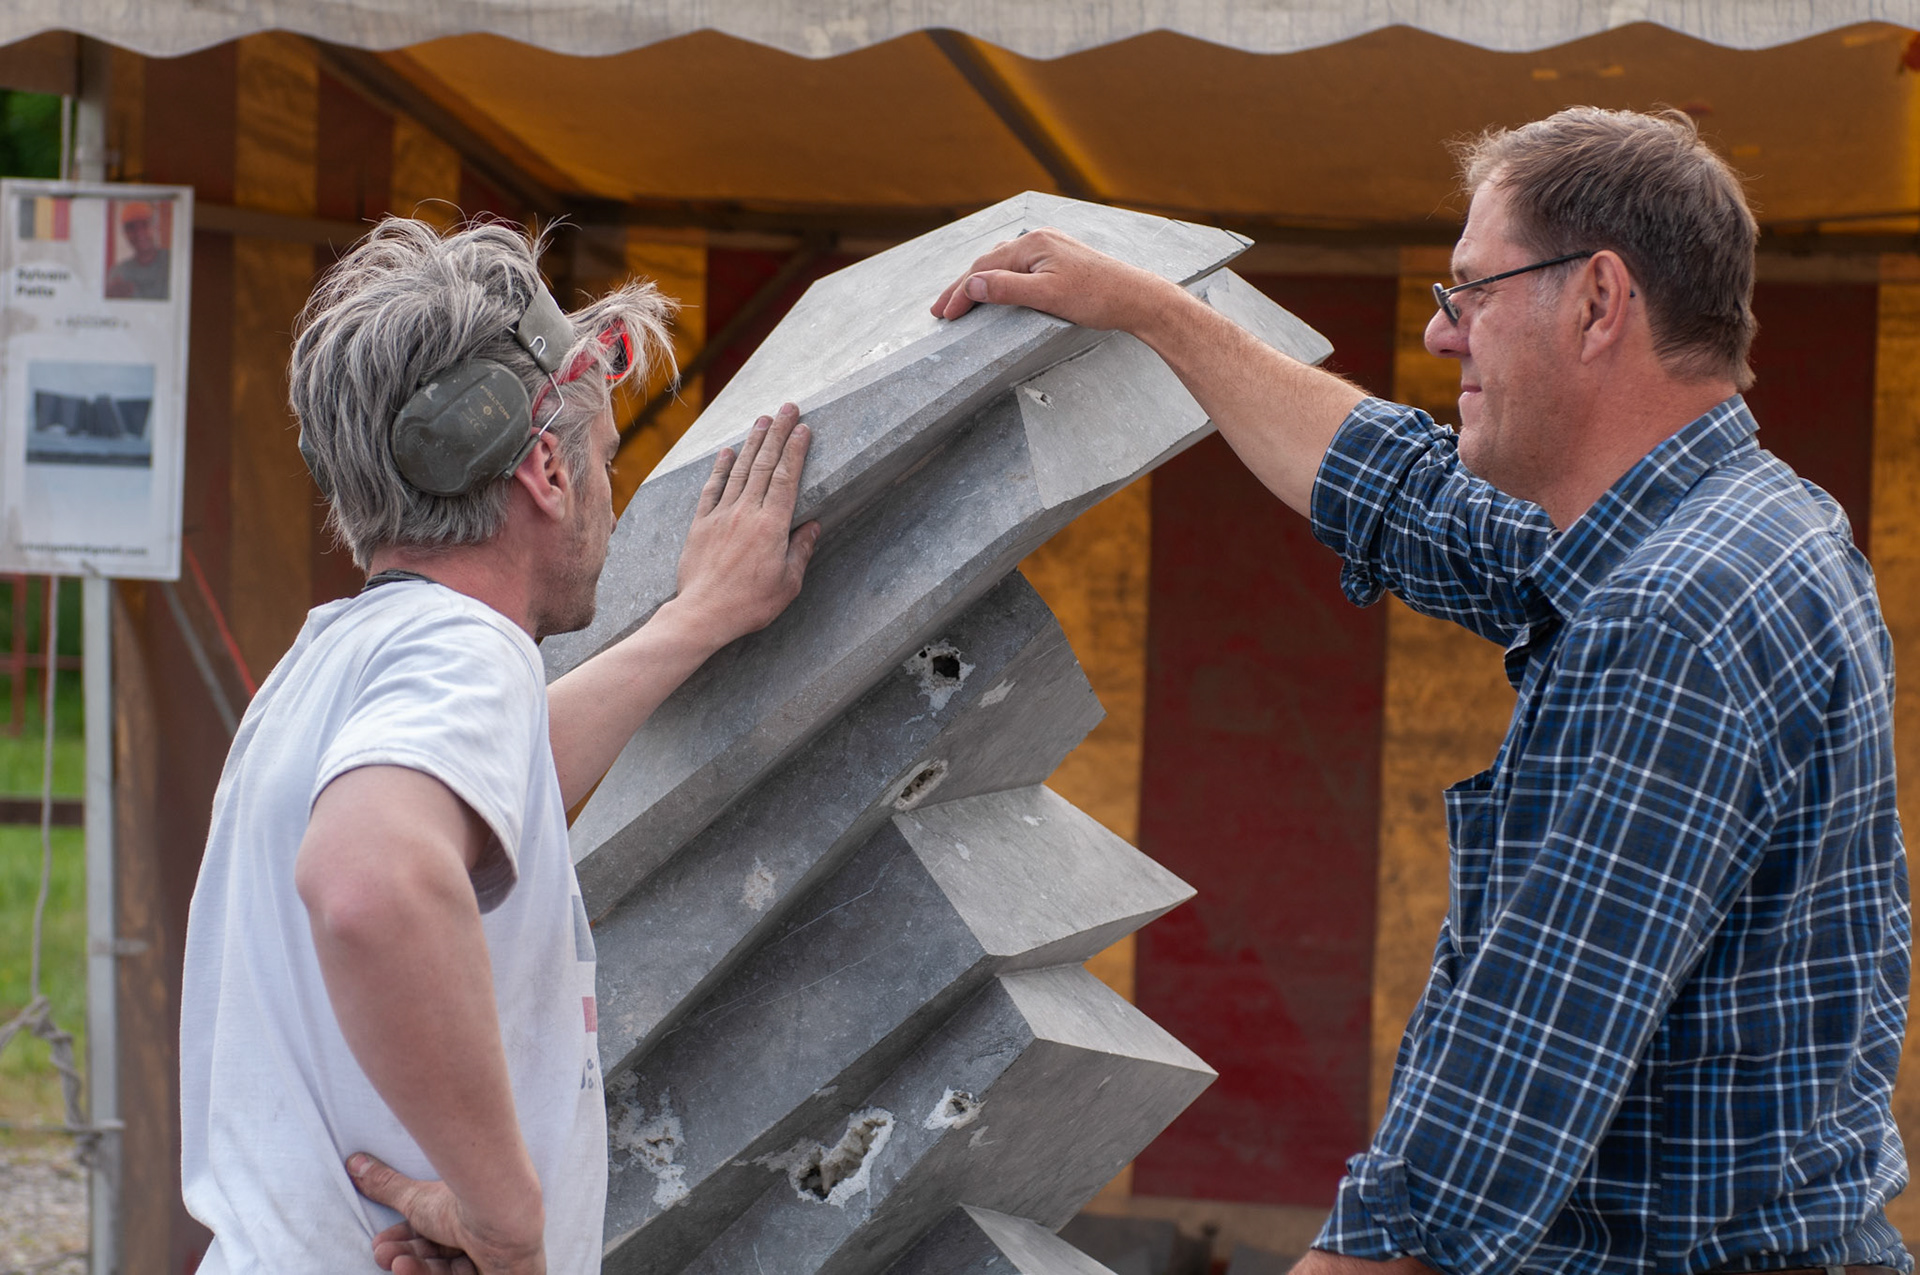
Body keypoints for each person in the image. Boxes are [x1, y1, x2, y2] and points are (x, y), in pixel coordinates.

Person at [934, 107, 1912, 1275]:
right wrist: (1157, 313)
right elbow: (1405, 495)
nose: (1443, 335)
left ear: (1599, 301)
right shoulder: (1739, 526)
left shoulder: (1672, 614)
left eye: (1472, 293)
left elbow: (1493, 1114)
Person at [179, 217, 820, 1274]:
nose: (608, 495)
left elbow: (496, 790)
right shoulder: (464, 651)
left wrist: (694, 621)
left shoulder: (334, 661)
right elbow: (367, 879)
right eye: (604, 461)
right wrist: (504, 1215)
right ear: (546, 473)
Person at [104, 200, 169, 300]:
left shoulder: (173, 263)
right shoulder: (118, 273)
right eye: (132, 227)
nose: (139, 233)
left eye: (145, 224)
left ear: (156, 227)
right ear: (125, 233)